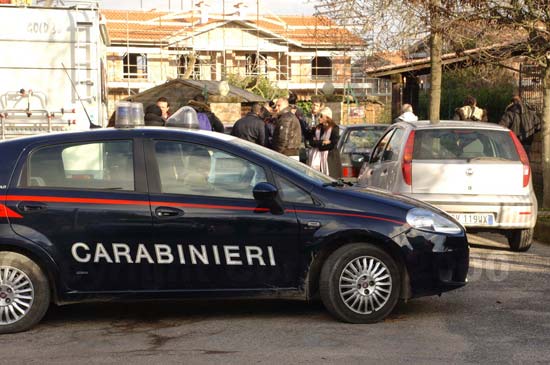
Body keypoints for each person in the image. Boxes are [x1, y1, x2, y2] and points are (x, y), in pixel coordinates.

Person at [307, 107, 342, 178]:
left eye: (321, 116)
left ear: (327, 117)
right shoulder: (317, 128)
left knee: (330, 178)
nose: (319, 118)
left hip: (330, 158)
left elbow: (333, 144)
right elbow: (311, 142)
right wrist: (322, 142)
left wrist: (318, 144)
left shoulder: (334, 128)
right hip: (316, 157)